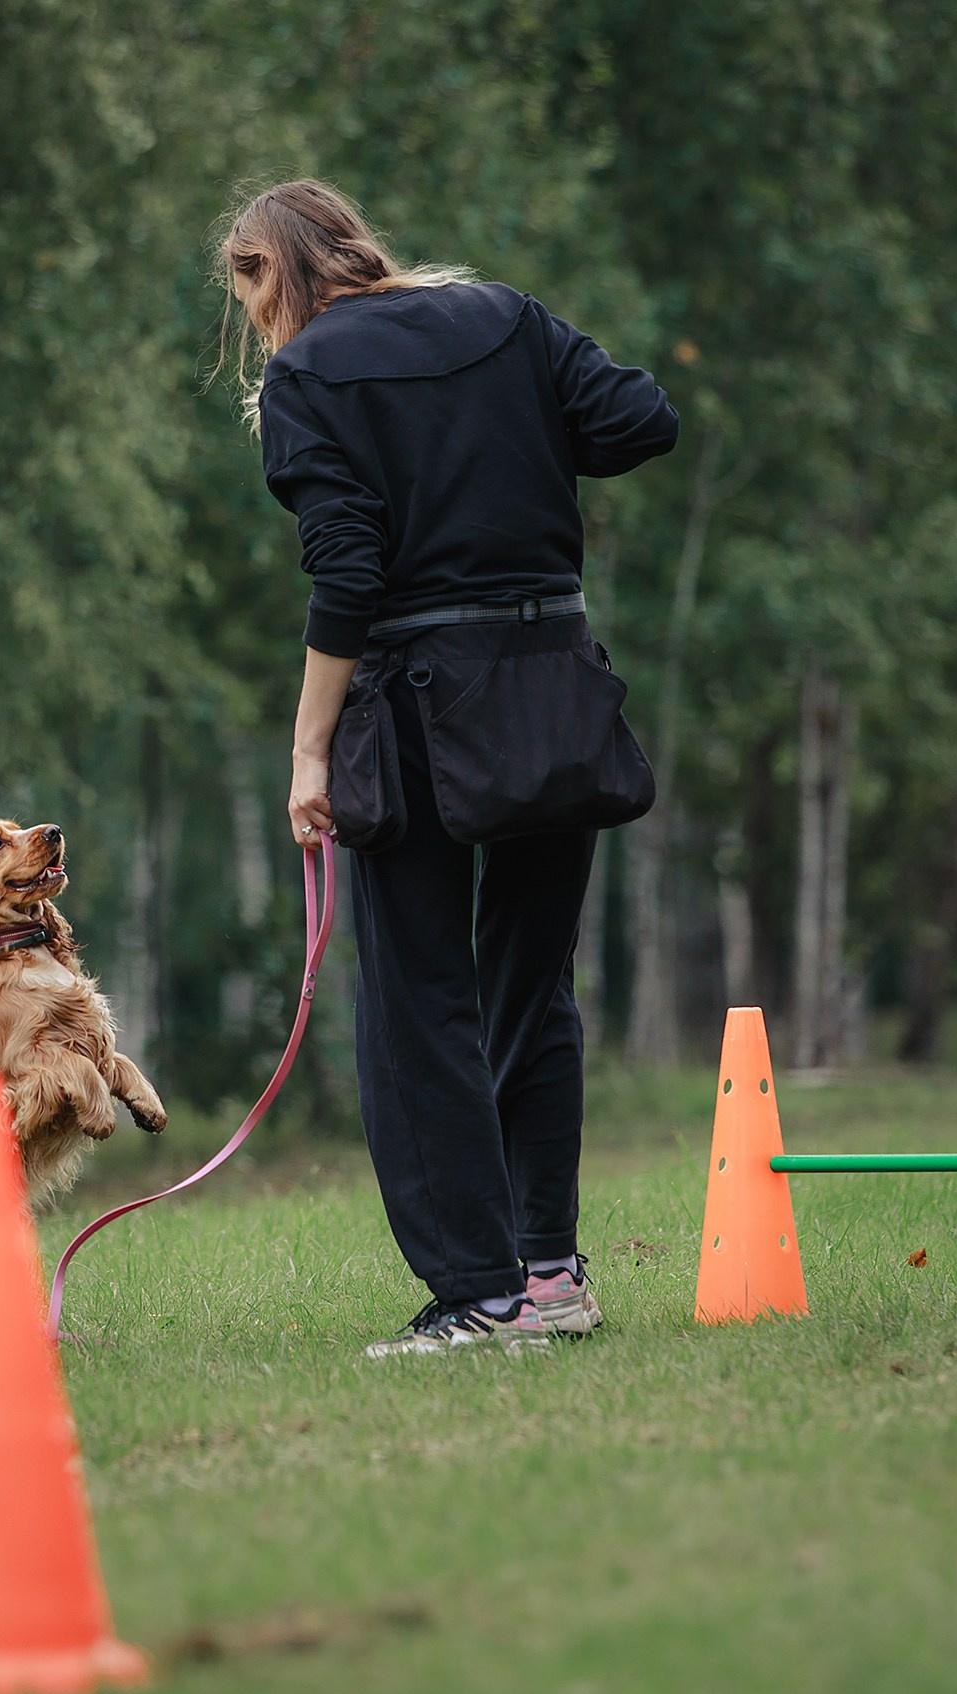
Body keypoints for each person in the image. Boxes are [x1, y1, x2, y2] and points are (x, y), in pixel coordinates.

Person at [220, 179, 678, 1355]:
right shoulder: (506, 319)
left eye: (248, 287)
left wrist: (308, 747)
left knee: (418, 1003)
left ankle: (478, 1296)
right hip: (547, 682)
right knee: (531, 985)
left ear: (270, 274)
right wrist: (502, 436)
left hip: (419, 706)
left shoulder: (308, 378)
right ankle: (550, 1275)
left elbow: (349, 573)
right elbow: (639, 420)